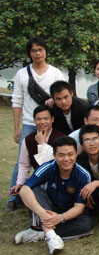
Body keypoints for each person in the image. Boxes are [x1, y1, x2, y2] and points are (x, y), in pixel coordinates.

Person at [8, 36, 65, 212]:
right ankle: (14, 197)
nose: (38, 53)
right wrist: (17, 128)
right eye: (34, 50)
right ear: (29, 53)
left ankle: (55, 193)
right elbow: (17, 101)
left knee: (55, 158)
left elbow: (63, 96)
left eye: (41, 49)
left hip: (51, 124)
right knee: (22, 161)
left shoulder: (55, 73)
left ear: (46, 51)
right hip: (28, 123)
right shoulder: (22, 74)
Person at [13, 136, 94, 255]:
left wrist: (60, 217)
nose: (66, 159)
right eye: (61, 155)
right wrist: (43, 214)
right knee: (34, 191)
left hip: (67, 214)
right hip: (48, 208)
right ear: (54, 155)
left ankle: (39, 232)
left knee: (87, 223)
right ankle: (51, 235)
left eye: (70, 154)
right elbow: (24, 189)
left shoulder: (83, 174)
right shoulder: (48, 167)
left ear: (76, 154)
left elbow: (79, 207)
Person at [12, 105, 65, 196]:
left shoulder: (61, 138)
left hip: (59, 180)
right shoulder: (28, 140)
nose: (42, 122)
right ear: (34, 120)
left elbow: (53, 163)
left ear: (52, 119)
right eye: (39, 119)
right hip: (39, 179)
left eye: (46, 119)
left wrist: (42, 144)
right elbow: (24, 165)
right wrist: (20, 183)